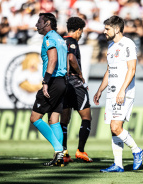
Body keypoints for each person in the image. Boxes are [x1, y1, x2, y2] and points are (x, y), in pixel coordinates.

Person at [93, 15, 143, 172]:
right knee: (114, 128)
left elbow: (132, 69)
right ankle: (118, 164)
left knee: (116, 127)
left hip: (124, 92)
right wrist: (100, 90)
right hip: (111, 92)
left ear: (116, 29)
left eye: (107, 28)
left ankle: (137, 150)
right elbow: (109, 70)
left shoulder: (127, 44)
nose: (104, 31)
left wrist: (122, 90)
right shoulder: (110, 47)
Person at [30, 12, 68, 166]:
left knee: (35, 118)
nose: (36, 25)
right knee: (53, 119)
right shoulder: (60, 39)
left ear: (47, 23)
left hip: (53, 81)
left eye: (39, 22)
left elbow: (53, 60)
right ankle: (59, 158)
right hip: (63, 82)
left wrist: (46, 81)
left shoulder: (49, 38)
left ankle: (59, 149)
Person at [60, 17, 93, 163]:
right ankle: (80, 150)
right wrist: (80, 74)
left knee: (64, 120)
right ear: (79, 30)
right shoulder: (72, 41)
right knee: (86, 117)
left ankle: (64, 153)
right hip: (75, 83)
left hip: (64, 83)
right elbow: (72, 57)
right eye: (82, 32)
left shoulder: (61, 40)